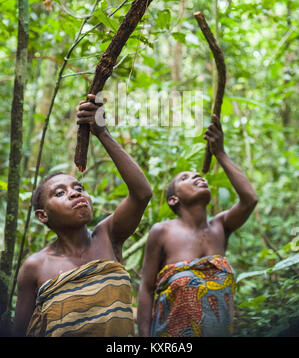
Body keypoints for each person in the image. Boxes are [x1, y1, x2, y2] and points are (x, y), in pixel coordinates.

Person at [14, 94, 152, 337]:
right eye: (60, 193)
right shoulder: (35, 267)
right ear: (42, 215)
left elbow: (142, 194)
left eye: (79, 188)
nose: (75, 194)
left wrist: (102, 133)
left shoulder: (108, 236)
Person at [137, 114, 258, 337]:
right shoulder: (162, 232)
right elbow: (146, 289)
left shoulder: (220, 226)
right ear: (173, 200)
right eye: (185, 178)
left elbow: (250, 199)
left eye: (197, 175)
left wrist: (220, 152)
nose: (196, 177)